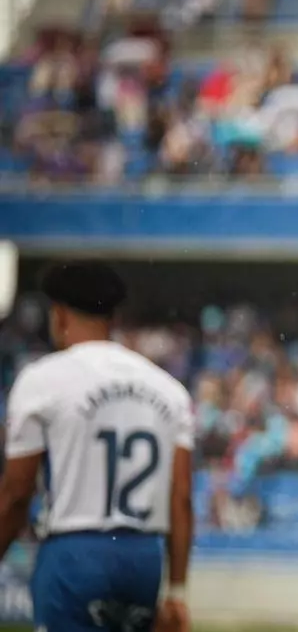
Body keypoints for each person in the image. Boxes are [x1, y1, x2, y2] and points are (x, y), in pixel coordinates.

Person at [0, 262, 194, 632]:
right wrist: (177, 591)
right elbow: (181, 496)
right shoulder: (169, 389)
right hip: (143, 557)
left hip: (75, 551)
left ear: (58, 314)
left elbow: (17, 494)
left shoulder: (42, 380)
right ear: (113, 317)